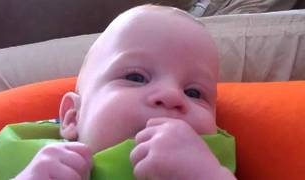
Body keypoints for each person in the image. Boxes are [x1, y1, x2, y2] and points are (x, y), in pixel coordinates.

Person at [13, 5, 235, 180]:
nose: (172, 95)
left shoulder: (209, 168)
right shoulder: (35, 165)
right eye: (136, 78)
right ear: (73, 117)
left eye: (194, 93)